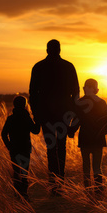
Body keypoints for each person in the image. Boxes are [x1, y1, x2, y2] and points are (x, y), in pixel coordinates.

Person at [29, 39, 80, 195]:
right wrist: (74, 116)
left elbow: (33, 94)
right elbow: (76, 93)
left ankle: (53, 182)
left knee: (51, 147)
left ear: (47, 50)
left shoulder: (38, 67)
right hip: (64, 113)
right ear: (59, 50)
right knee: (61, 146)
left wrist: (36, 115)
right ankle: (60, 182)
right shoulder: (68, 66)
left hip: (45, 114)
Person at [68, 79, 107, 196]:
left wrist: (71, 131)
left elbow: (76, 121)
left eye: (85, 87)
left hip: (85, 139)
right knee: (97, 167)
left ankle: (88, 190)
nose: (83, 88)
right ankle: (98, 190)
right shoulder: (102, 102)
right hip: (98, 140)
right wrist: (102, 133)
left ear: (90, 88)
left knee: (86, 166)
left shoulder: (80, 103)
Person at [1, 95, 40, 201]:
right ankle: (24, 195)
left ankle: (17, 195)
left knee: (16, 171)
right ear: (25, 105)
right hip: (25, 148)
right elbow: (35, 131)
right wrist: (38, 121)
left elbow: (4, 134)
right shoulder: (26, 118)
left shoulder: (10, 118)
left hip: (14, 149)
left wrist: (9, 145)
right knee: (24, 172)